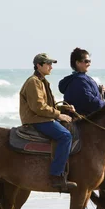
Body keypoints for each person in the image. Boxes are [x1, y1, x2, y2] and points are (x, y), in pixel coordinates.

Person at [19, 53, 77, 192]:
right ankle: (56, 175)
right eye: (48, 64)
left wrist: (64, 108)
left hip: (43, 117)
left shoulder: (42, 81)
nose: (51, 67)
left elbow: (48, 105)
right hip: (36, 119)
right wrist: (59, 115)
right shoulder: (34, 82)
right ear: (39, 65)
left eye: (51, 64)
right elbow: (38, 107)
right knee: (65, 136)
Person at [58, 48, 105, 116]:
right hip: (81, 122)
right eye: (86, 61)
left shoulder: (84, 78)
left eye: (90, 61)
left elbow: (93, 97)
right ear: (78, 63)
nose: (89, 64)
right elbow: (89, 102)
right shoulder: (79, 81)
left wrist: (102, 92)